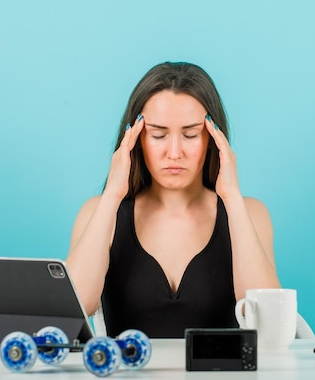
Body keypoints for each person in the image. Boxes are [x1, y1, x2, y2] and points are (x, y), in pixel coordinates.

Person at [66, 62, 281, 338]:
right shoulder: (98, 211)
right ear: (135, 138)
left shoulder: (250, 213)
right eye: (158, 135)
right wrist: (113, 194)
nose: (174, 152)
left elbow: (269, 322)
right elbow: (73, 312)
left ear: (214, 139)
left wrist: (231, 196)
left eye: (191, 135)